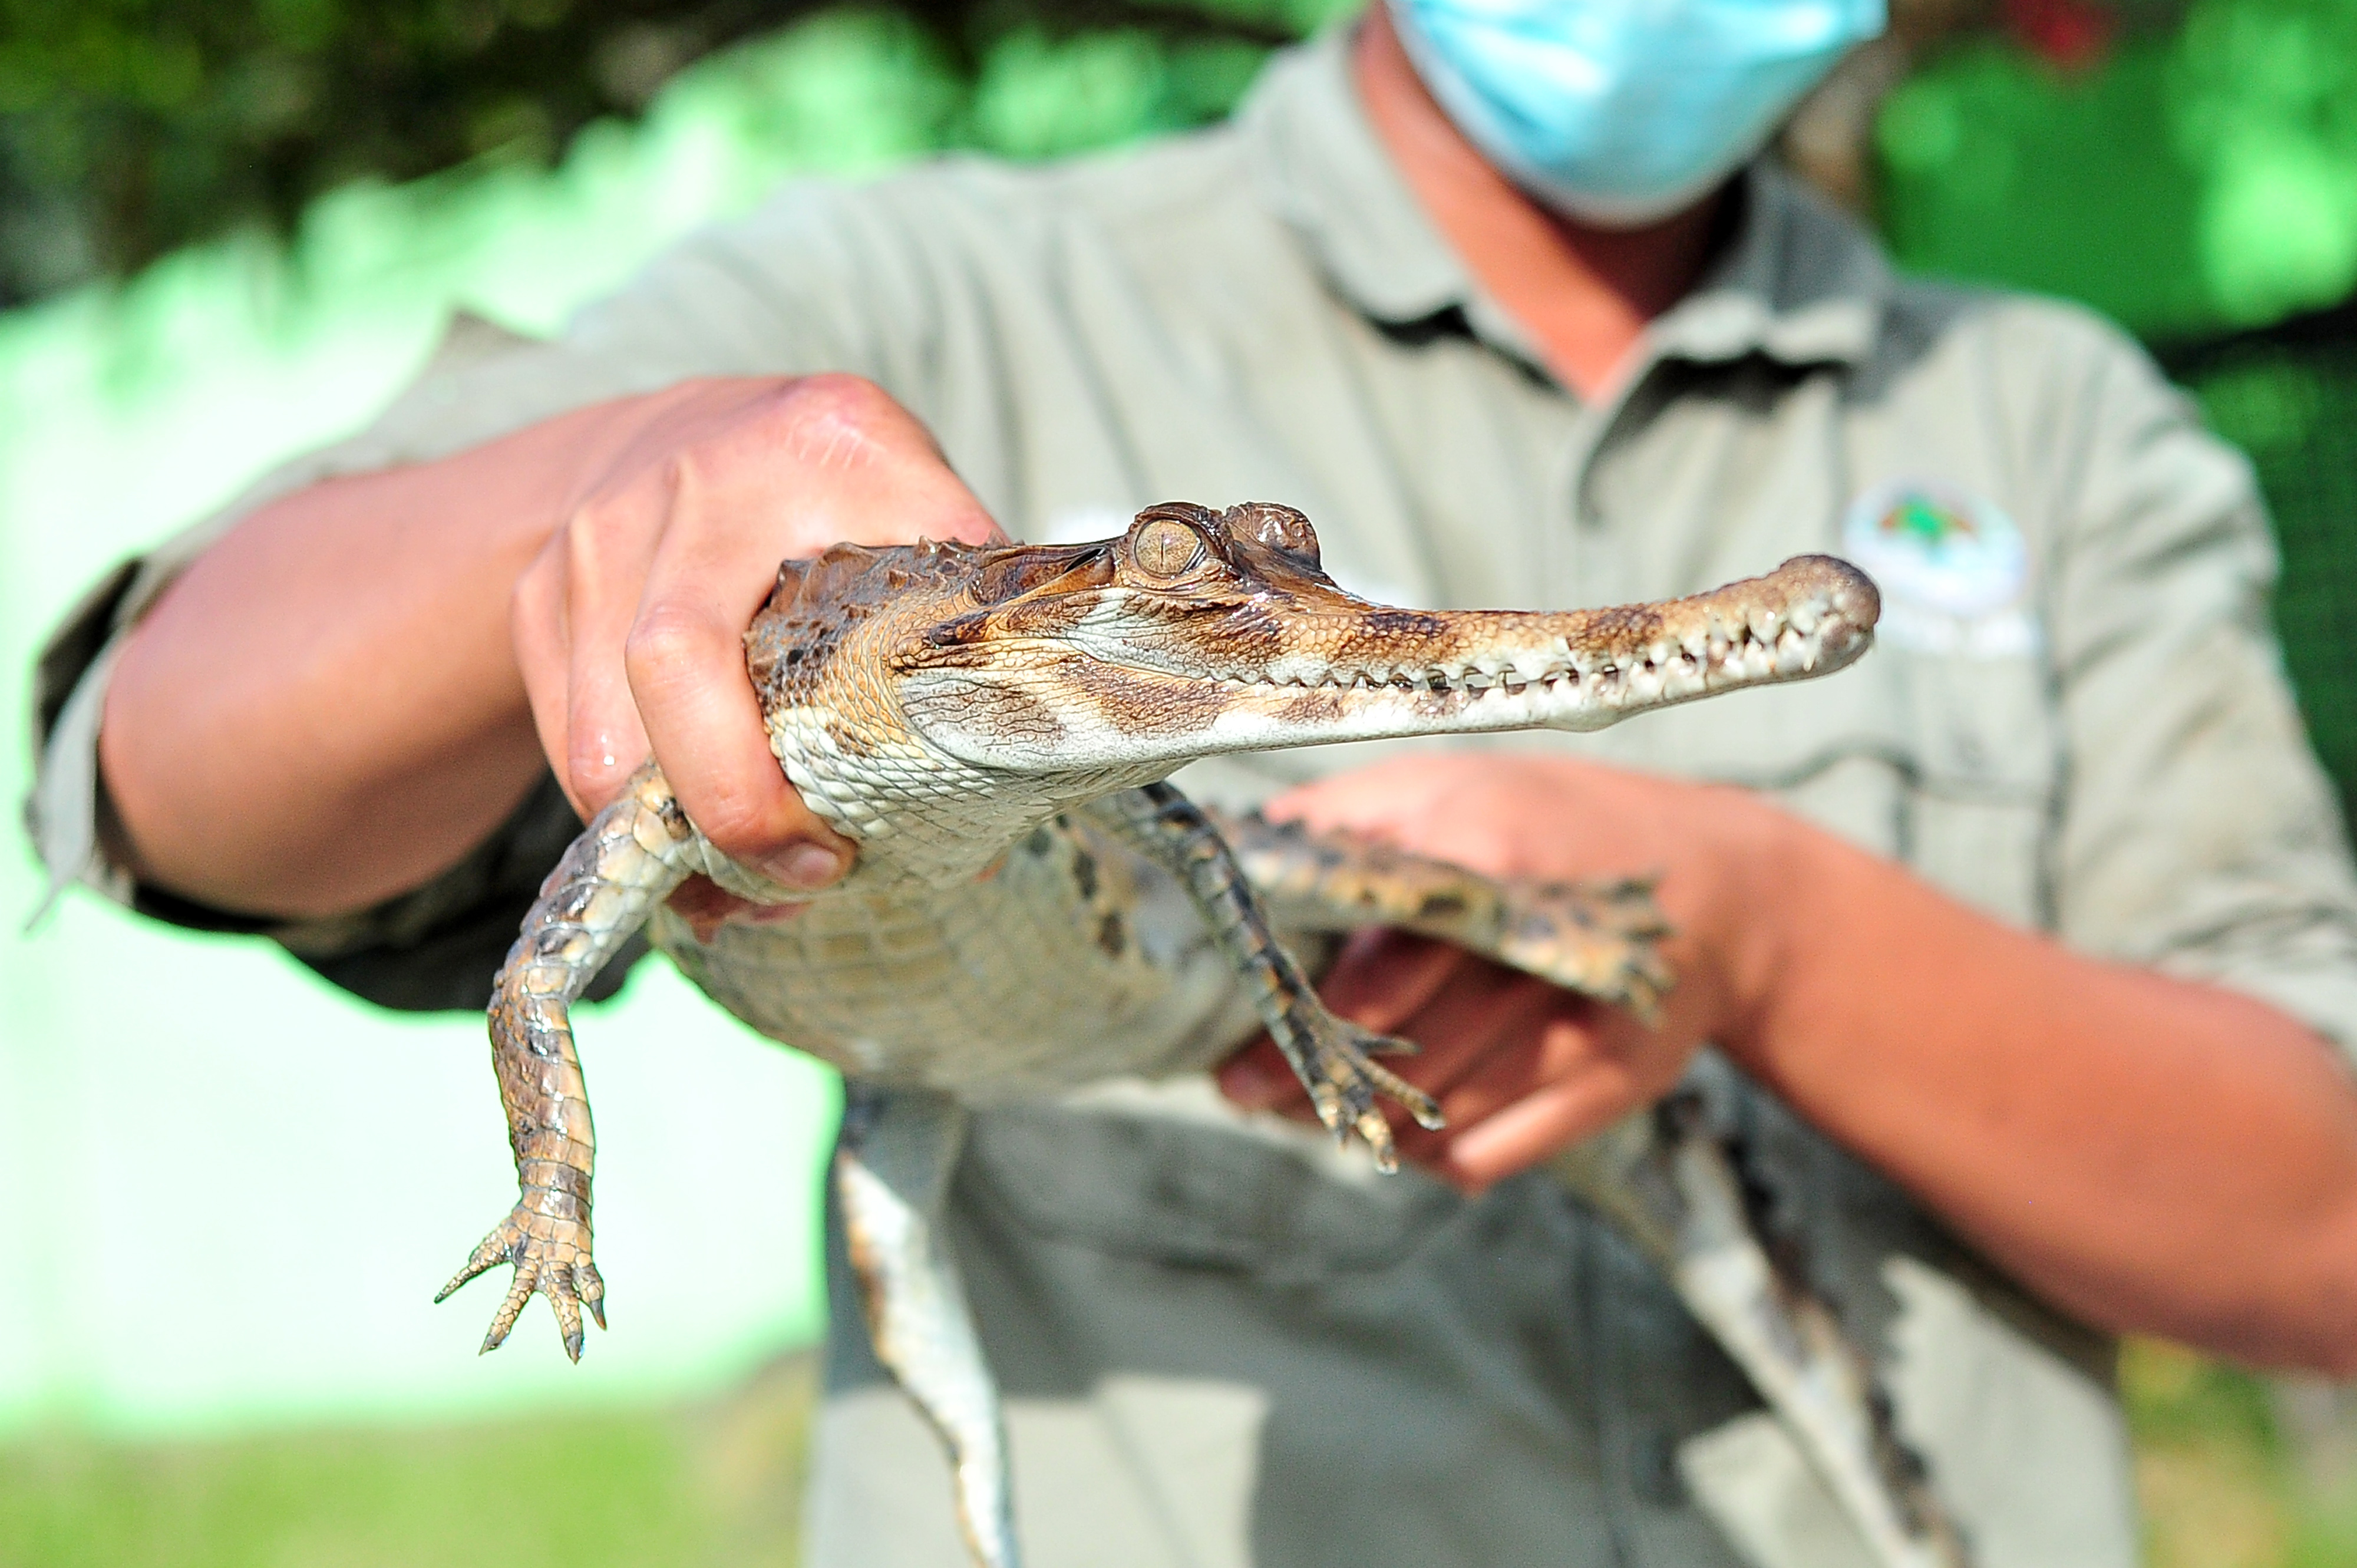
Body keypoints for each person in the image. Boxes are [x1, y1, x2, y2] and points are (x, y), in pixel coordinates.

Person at [29, 0, 2357, 1562]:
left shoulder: (2055, 411)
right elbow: (148, 761)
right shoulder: (924, 281)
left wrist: (1766, 935)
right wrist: (598, 479)